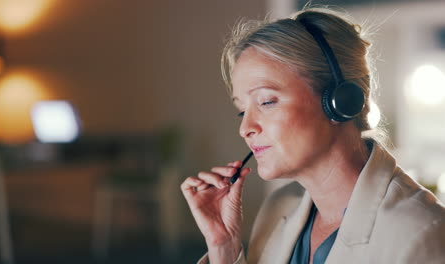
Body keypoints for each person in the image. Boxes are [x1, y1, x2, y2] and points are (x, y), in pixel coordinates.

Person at [180, 7, 445, 264]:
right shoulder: (278, 208)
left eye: (266, 101)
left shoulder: (421, 232)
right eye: (242, 111)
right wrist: (223, 248)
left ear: (339, 101)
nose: (245, 128)